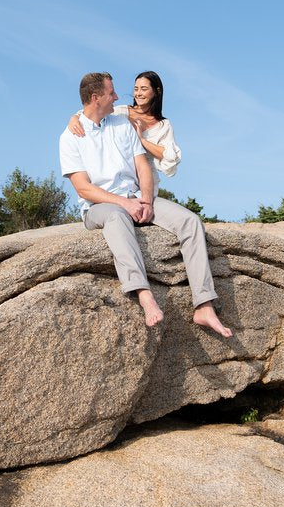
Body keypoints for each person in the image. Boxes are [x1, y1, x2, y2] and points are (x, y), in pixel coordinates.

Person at [58, 72, 232, 337]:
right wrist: (125, 205)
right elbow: (83, 188)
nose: (119, 96)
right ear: (96, 98)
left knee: (190, 221)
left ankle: (204, 305)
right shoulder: (70, 137)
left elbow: (143, 167)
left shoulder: (123, 123)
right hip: (99, 206)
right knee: (117, 217)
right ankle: (144, 294)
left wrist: (146, 201)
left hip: (137, 196)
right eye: (111, 92)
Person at [67, 71, 179, 188]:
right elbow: (92, 112)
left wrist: (141, 140)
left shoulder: (164, 125)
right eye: (136, 89)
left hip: (147, 186)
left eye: (144, 89)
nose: (138, 93)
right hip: (119, 185)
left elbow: (170, 157)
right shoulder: (121, 112)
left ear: (157, 91)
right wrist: (74, 118)